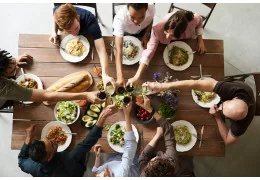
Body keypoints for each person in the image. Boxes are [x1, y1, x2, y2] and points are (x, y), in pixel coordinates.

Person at [143, 78, 256, 145]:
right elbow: (195, 83)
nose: (219, 107)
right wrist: (163, 86)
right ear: (234, 98)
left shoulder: (242, 124)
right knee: (211, 82)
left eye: (223, 112)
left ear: (236, 120)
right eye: (223, 105)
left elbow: (227, 140)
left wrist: (217, 117)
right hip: (232, 86)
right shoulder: (237, 91)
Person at [18, 104, 118, 177]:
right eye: (52, 144)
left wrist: (28, 137)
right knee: (82, 155)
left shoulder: (32, 167)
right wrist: (102, 116)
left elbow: (21, 160)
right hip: (76, 171)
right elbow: (88, 142)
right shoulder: (69, 159)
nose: (53, 139)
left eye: (48, 139)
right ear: (49, 157)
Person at [0, 49, 102, 109]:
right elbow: (46, 95)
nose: (15, 67)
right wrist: (86, 95)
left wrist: (12, 63)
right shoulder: (5, 87)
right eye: (10, 70)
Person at [127, 10, 206, 86]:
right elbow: (150, 50)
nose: (167, 37)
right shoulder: (158, 29)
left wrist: (200, 40)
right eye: (166, 31)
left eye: (172, 35)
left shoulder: (193, 21)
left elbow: (199, 20)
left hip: (186, 43)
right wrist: (137, 76)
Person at [49, 3, 115, 89]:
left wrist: (105, 75)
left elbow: (101, 49)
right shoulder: (59, 11)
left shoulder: (90, 20)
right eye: (69, 31)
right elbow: (54, 13)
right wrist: (54, 31)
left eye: (76, 28)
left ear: (77, 17)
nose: (74, 34)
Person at [92, 101, 139, 177]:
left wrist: (97, 157)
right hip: (131, 161)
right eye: (104, 176)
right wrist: (126, 115)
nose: (102, 172)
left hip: (114, 159)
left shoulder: (98, 174)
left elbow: (95, 170)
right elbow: (130, 146)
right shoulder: (121, 174)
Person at [113, 3, 155, 86]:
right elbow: (118, 49)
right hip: (126, 32)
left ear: (146, 9)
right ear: (127, 8)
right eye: (132, 17)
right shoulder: (120, 18)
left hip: (143, 32)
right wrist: (119, 76)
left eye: (141, 17)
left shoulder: (152, 8)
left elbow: (151, 20)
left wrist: (146, 34)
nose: (136, 21)